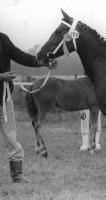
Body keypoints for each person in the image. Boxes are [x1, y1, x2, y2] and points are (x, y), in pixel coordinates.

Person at [0, 32, 55, 183]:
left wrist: (40, 62)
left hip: (4, 98)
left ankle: (17, 175)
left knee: (11, 137)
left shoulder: (3, 39)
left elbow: (19, 55)